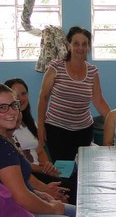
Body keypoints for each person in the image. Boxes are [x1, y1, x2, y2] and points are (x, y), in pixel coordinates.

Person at [0, 83, 76, 217]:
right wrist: (52, 208)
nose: (12, 112)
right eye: (2, 107)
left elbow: (18, 184)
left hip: (21, 208)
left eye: (14, 105)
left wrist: (40, 193)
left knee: (84, 215)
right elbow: (20, 197)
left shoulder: (3, 139)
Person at [37, 26, 110, 162]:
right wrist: (40, 126)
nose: (80, 48)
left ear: (88, 47)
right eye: (76, 43)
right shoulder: (56, 67)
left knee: (81, 169)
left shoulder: (93, 71)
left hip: (84, 130)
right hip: (56, 129)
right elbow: (43, 97)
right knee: (63, 171)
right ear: (68, 44)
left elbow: (99, 100)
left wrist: (115, 120)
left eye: (84, 44)